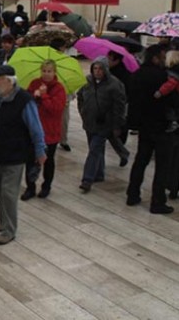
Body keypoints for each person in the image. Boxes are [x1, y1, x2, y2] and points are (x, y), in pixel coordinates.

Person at [0, 65, 46, 245]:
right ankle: (3, 221)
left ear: (9, 81)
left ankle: (10, 230)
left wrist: (40, 150)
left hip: (15, 154)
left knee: (9, 192)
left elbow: (36, 128)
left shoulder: (24, 100)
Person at [127, 45, 177, 214]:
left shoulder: (137, 75)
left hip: (144, 126)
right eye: (163, 57)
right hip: (163, 127)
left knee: (141, 160)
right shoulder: (163, 77)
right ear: (155, 58)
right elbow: (172, 102)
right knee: (162, 166)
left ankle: (132, 194)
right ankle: (157, 202)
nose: (164, 61)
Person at [77, 57, 127, 192]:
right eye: (95, 68)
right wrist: (83, 112)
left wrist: (117, 125)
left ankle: (87, 179)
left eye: (100, 69)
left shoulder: (114, 85)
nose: (97, 72)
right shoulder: (87, 82)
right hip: (89, 121)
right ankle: (99, 173)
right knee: (96, 149)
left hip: (105, 124)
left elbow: (119, 106)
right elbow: (80, 97)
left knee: (94, 149)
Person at [21, 60, 66, 200]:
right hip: (33, 129)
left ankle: (46, 186)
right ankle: (30, 187)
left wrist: (44, 96)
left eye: (49, 71)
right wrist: (32, 95)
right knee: (29, 160)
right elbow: (25, 102)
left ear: (54, 72)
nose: (46, 74)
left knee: (48, 161)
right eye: (44, 71)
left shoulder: (59, 88)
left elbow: (56, 109)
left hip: (50, 131)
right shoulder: (35, 83)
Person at [153, 49, 179, 132]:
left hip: (173, 96)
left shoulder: (171, 72)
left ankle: (173, 122)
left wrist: (160, 92)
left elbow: (170, 84)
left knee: (170, 109)